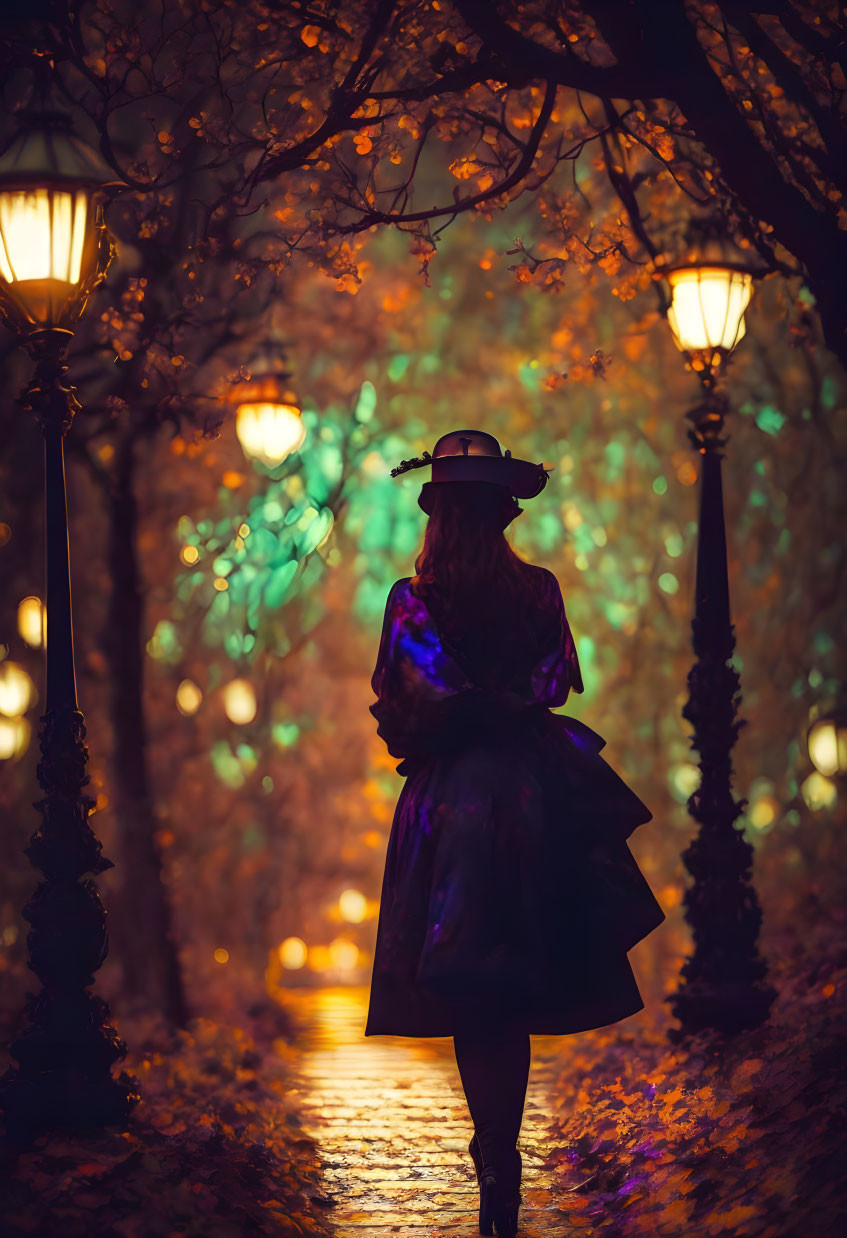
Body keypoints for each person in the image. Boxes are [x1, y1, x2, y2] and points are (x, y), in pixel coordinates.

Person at [364, 429, 666, 1238]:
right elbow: (551, 681)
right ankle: (502, 1169)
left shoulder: (412, 600)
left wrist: (460, 714)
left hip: (455, 807)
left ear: (436, 515)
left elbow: (413, 701)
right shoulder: (538, 591)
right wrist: (502, 706)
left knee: (475, 989)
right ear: (503, 514)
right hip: (534, 798)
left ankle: (494, 1166)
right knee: (512, 979)